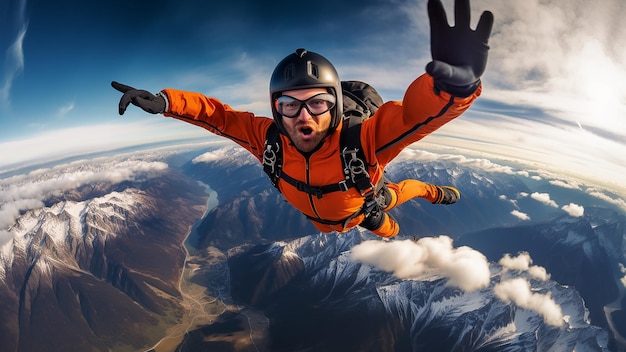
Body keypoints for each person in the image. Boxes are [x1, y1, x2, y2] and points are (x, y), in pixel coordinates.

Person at [112, 0, 493, 238]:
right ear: (276, 110)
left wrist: (450, 89)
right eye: (289, 105)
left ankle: (433, 192)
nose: (303, 117)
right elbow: (220, 117)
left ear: (338, 106)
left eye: (318, 103)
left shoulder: (363, 141)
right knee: (372, 220)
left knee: (388, 223)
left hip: (360, 209)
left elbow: (415, 116)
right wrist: (166, 102)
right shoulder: (269, 141)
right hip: (324, 218)